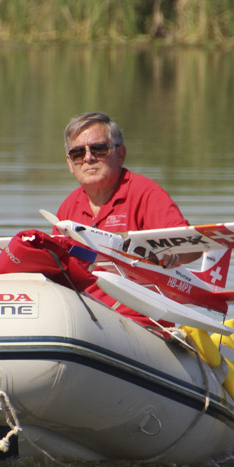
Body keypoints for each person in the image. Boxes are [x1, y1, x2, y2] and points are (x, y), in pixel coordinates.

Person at [55, 112, 197, 322]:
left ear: (120, 154)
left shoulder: (146, 193)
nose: (88, 158)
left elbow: (193, 247)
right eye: (78, 153)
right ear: (70, 163)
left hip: (143, 325)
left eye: (98, 149)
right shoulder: (68, 206)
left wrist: (173, 254)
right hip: (87, 321)